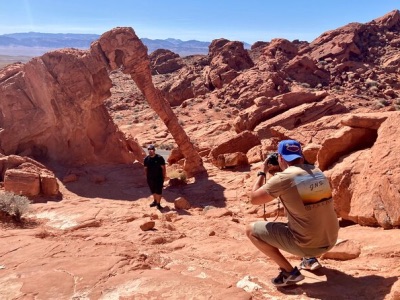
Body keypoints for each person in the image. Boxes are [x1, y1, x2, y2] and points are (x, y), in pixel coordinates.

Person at [246, 139, 339, 287]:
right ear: (301, 156)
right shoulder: (317, 172)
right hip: (330, 240)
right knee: (303, 210)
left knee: (251, 230)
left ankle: (289, 273)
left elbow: (254, 199)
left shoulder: (285, 177)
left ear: (280, 158)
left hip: (310, 245)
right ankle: (309, 259)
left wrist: (262, 170)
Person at [144, 144, 166, 210]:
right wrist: (146, 176)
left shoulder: (160, 158)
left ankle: (158, 204)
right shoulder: (146, 159)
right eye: (149, 150)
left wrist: (164, 176)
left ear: (154, 150)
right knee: (153, 190)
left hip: (159, 177)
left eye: (152, 150)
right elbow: (145, 168)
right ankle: (155, 201)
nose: (150, 151)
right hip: (150, 178)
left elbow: (163, 168)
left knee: (158, 191)